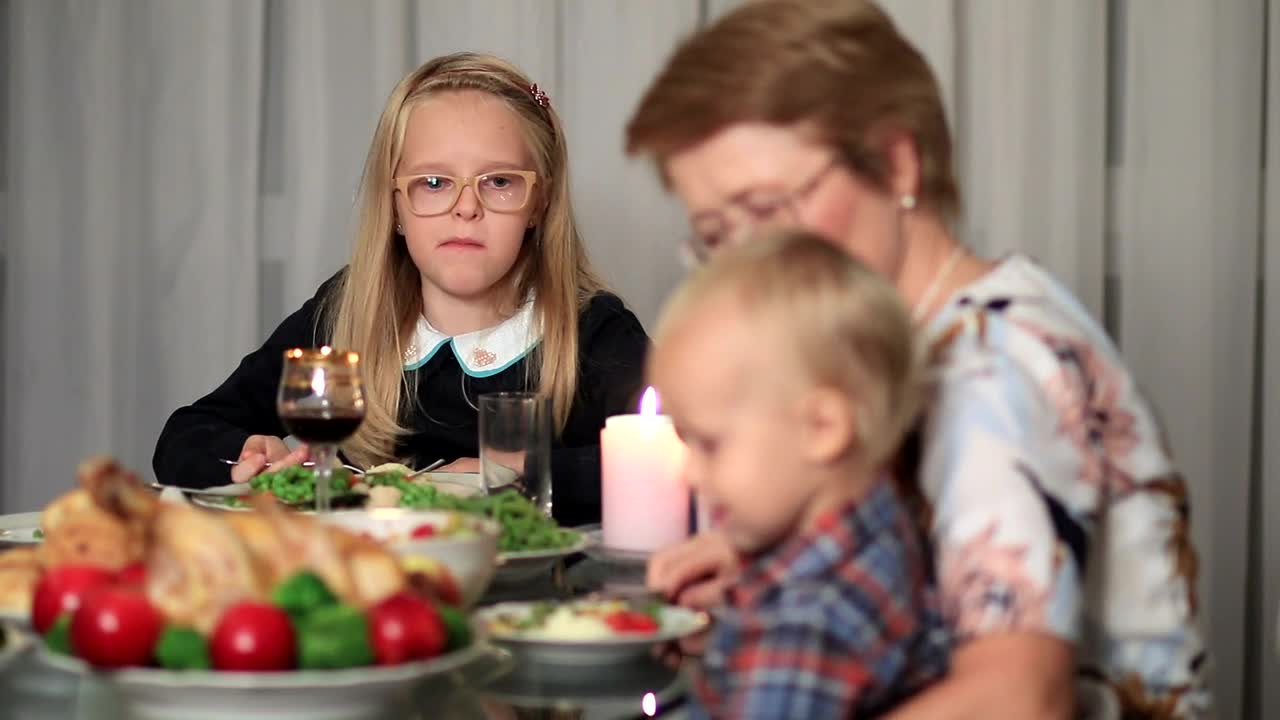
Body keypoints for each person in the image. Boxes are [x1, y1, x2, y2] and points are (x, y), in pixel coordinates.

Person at [626, 1, 1209, 717]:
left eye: (769, 208)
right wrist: (771, 574)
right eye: (716, 231)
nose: (748, 258)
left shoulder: (989, 371)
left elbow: (1018, 698)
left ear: (897, 163)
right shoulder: (902, 343)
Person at [154, 52, 648, 526]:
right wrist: (246, 459)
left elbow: (681, 462)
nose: (466, 208)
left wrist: (515, 474)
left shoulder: (595, 330)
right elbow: (186, 434)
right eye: (433, 183)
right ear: (394, 208)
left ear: (538, 203)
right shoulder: (345, 312)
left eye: (498, 182)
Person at [650, 229, 948, 717]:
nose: (691, 474)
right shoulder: (882, 527)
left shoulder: (805, 628)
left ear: (821, 427)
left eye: (710, 444)